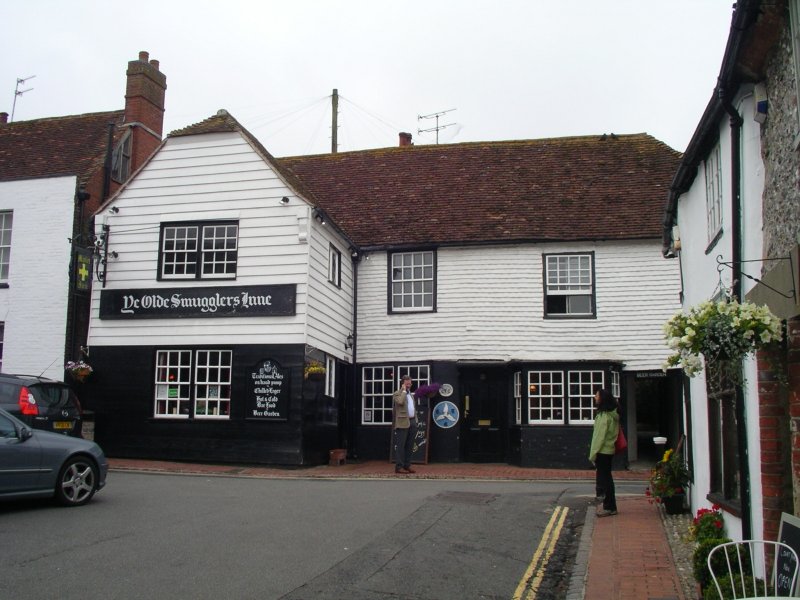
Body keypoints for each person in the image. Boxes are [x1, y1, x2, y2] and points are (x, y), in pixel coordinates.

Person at [589, 388, 619, 517]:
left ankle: (609, 507)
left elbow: (598, 437)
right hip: (609, 450)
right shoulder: (613, 415)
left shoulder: (603, 416)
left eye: (597, 396)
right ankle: (610, 506)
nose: (595, 397)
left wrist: (592, 454)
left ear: (602, 399)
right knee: (607, 478)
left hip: (602, 451)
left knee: (605, 480)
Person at [392, 375, 417, 474]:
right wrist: (403, 391)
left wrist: (415, 420)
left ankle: (407, 465)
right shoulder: (397, 394)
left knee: (410, 446)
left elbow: (412, 408)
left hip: (412, 421)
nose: (409, 385)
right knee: (401, 446)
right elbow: (400, 402)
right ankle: (399, 467)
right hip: (402, 422)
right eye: (407, 383)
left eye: (410, 383)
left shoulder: (411, 395)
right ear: (402, 384)